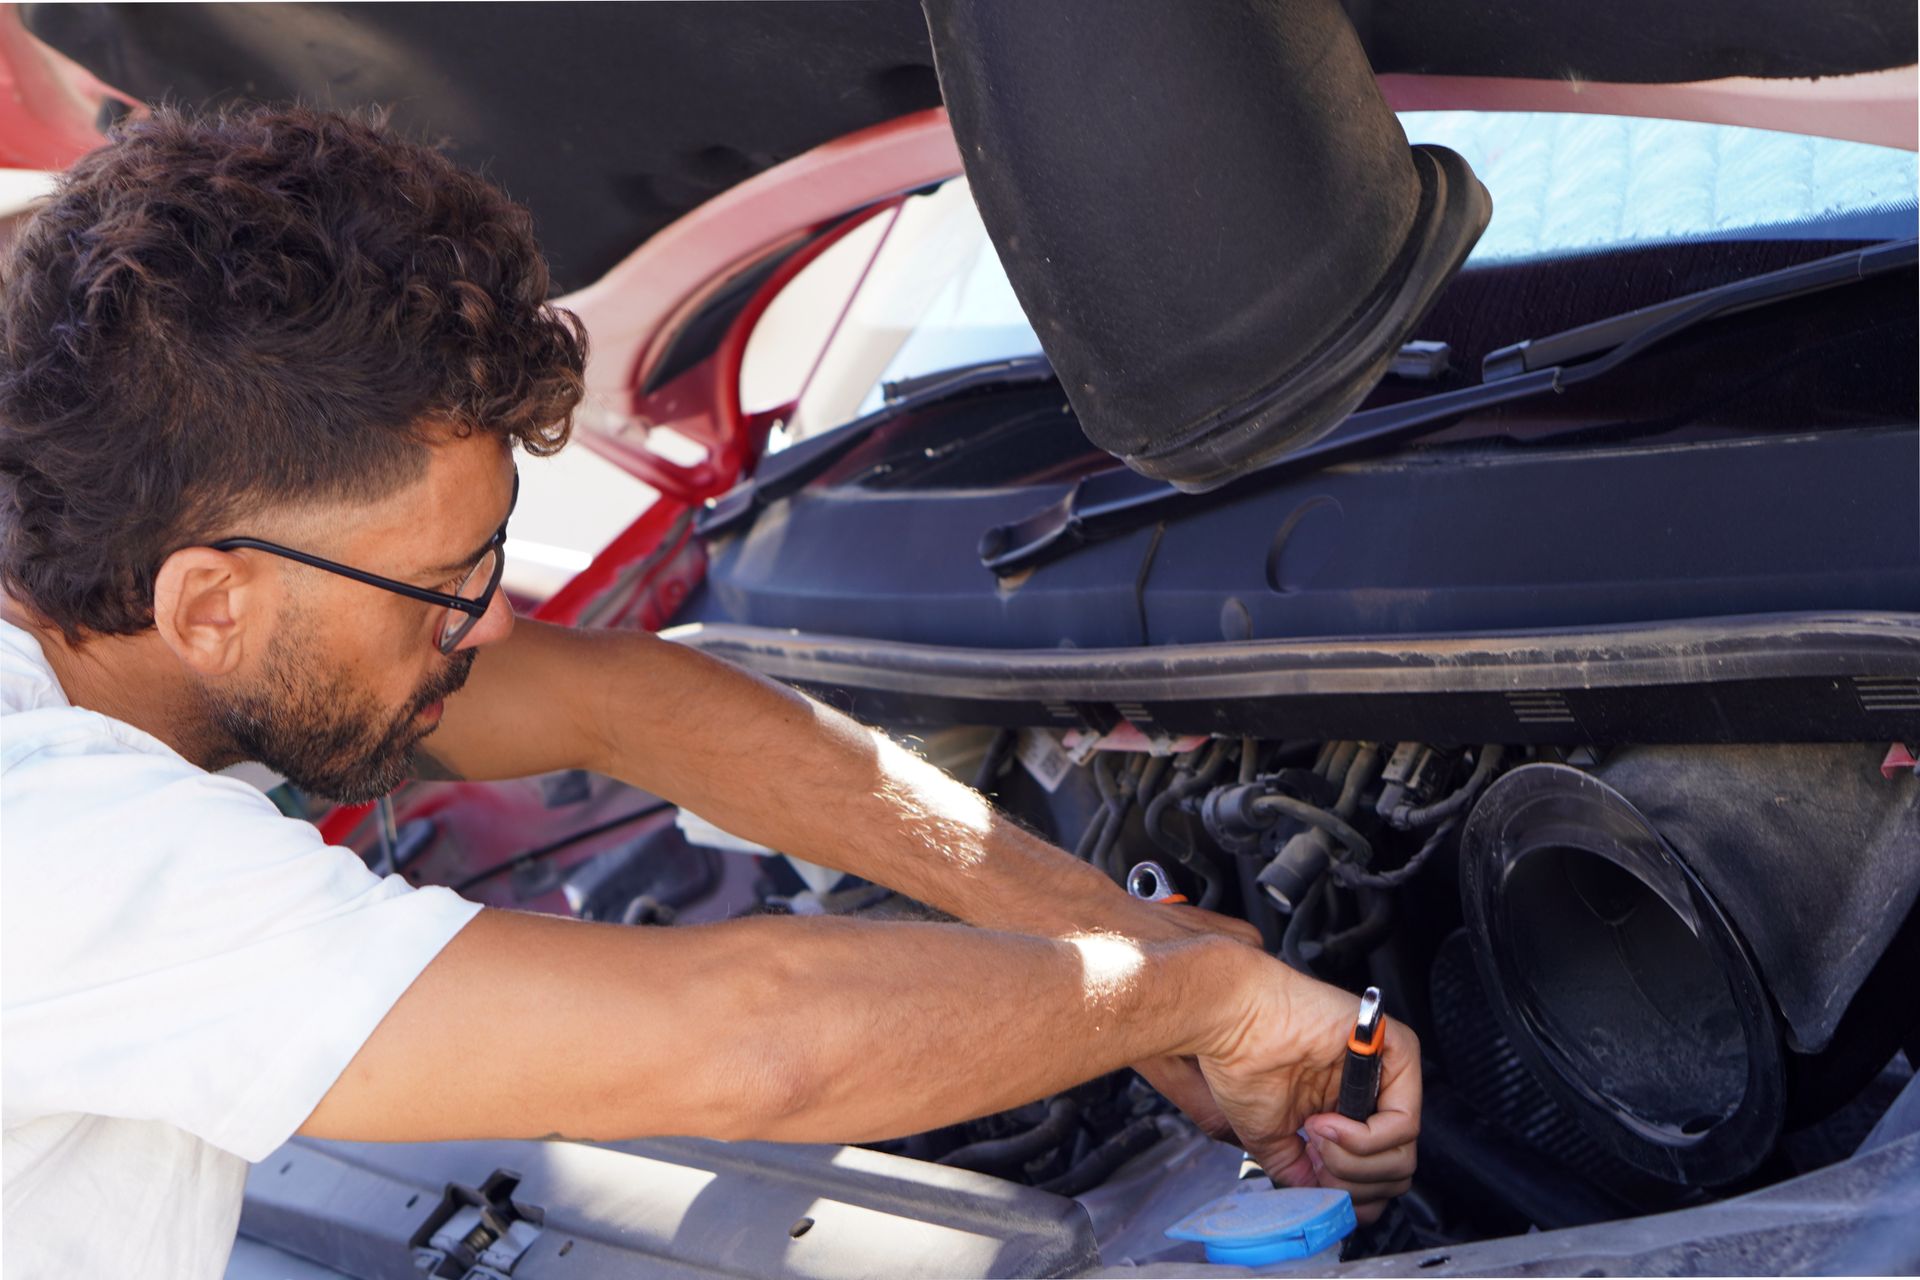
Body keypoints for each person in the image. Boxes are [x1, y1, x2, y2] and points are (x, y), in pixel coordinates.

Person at [0, 105, 1419, 1278]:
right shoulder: (49, 839)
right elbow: (754, 1041)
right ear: (213, 606)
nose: (492, 617)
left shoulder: (118, 627)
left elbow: (628, 703)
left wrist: (1131, 947)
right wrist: (1208, 1003)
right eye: (448, 580)